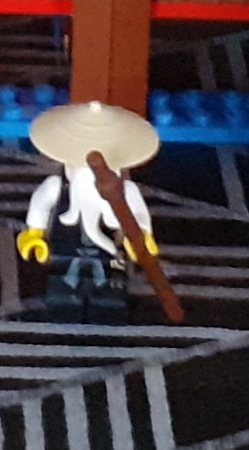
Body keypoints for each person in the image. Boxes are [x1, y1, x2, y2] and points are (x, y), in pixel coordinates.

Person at [16, 101, 163, 318]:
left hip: (110, 253)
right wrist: (34, 234)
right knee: (62, 289)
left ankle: (107, 304)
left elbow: (140, 214)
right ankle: (65, 302)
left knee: (110, 290)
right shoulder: (57, 187)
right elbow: (40, 206)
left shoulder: (126, 191)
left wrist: (141, 235)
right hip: (64, 248)